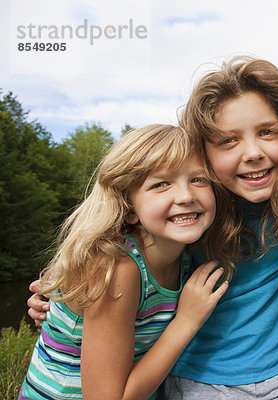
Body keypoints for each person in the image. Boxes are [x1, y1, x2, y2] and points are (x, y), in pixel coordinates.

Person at [29, 57, 278, 399]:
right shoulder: (135, 258)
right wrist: (64, 300)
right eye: (227, 140)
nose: (186, 196)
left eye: (267, 131)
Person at [19, 124, 228, 400]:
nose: (186, 196)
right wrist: (186, 321)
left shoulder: (186, 258)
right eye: (160, 184)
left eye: (198, 179)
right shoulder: (117, 269)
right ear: (129, 209)